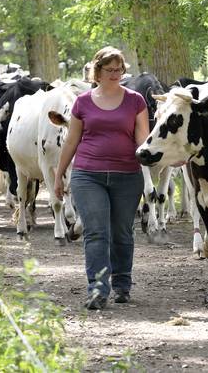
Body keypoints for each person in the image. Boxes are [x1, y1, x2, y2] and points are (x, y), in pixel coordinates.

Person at [53, 47, 149, 310]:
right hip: (87, 175)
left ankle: (122, 284)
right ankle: (97, 289)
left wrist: (165, 156)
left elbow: (143, 140)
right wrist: (59, 175)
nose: (116, 74)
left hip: (128, 175)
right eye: (110, 70)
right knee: (96, 232)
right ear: (97, 72)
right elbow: (71, 140)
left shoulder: (136, 100)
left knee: (121, 232)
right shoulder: (82, 102)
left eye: (119, 70)